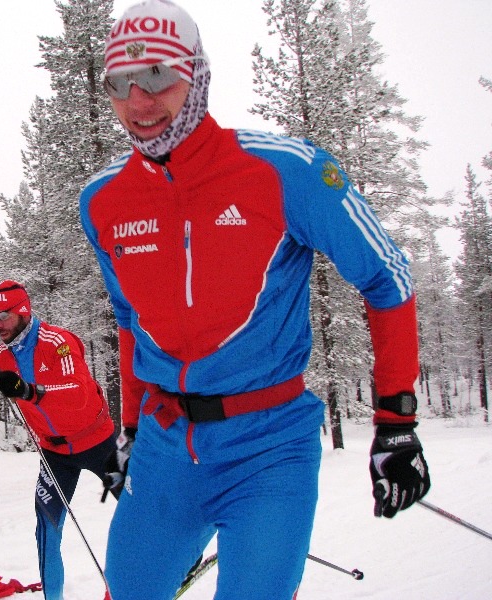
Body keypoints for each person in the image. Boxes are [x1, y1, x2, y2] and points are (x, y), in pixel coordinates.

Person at [78, 1, 431, 598]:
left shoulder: (285, 170)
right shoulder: (102, 199)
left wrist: (397, 422)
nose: (138, 101)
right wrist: (132, 427)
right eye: (120, 82)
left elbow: (388, 279)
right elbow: (131, 320)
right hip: (165, 450)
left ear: (196, 74)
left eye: (158, 76)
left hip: (270, 449)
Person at [0, 279, 117, 600]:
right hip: (55, 454)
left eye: (3, 316)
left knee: (140, 513)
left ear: (23, 311)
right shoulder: (2, 359)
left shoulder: (58, 341)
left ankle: (143, 583)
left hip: (100, 443)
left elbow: (79, 394)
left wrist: (28, 391)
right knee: (46, 530)